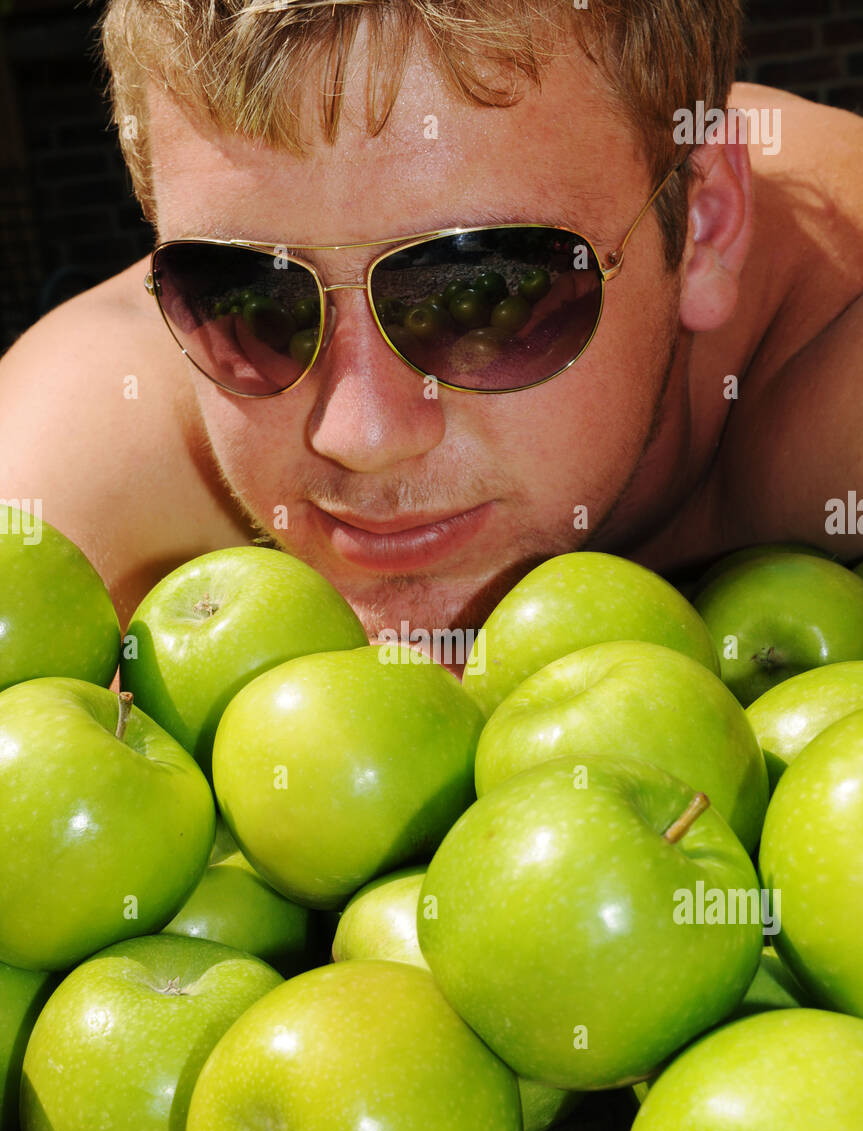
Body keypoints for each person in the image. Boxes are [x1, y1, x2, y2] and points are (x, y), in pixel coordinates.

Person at [1, 0, 861, 648]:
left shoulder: (833, 383)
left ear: (705, 226)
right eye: (249, 298)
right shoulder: (72, 479)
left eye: (484, 294)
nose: (361, 434)